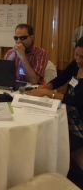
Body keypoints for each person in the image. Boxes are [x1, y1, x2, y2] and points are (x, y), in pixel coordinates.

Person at [27, 36, 83, 189]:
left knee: (57, 148)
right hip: (68, 116)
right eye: (76, 55)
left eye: (82, 57)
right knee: (44, 137)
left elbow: (78, 100)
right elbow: (61, 78)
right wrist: (48, 87)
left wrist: (47, 94)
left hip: (80, 126)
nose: (78, 59)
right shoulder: (76, 65)